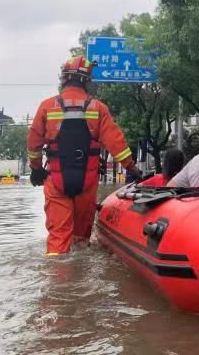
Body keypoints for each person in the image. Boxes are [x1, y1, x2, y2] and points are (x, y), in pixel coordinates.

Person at [27, 55, 134, 256]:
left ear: (64, 78)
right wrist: (131, 167)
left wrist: (35, 169)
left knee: (59, 237)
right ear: (87, 81)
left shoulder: (47, 106)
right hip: (87, 181)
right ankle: (80, 272)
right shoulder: (98, 108)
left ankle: (58, 282)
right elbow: (115, 141)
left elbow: (33, 142)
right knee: (81, 239)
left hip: (56, 180)